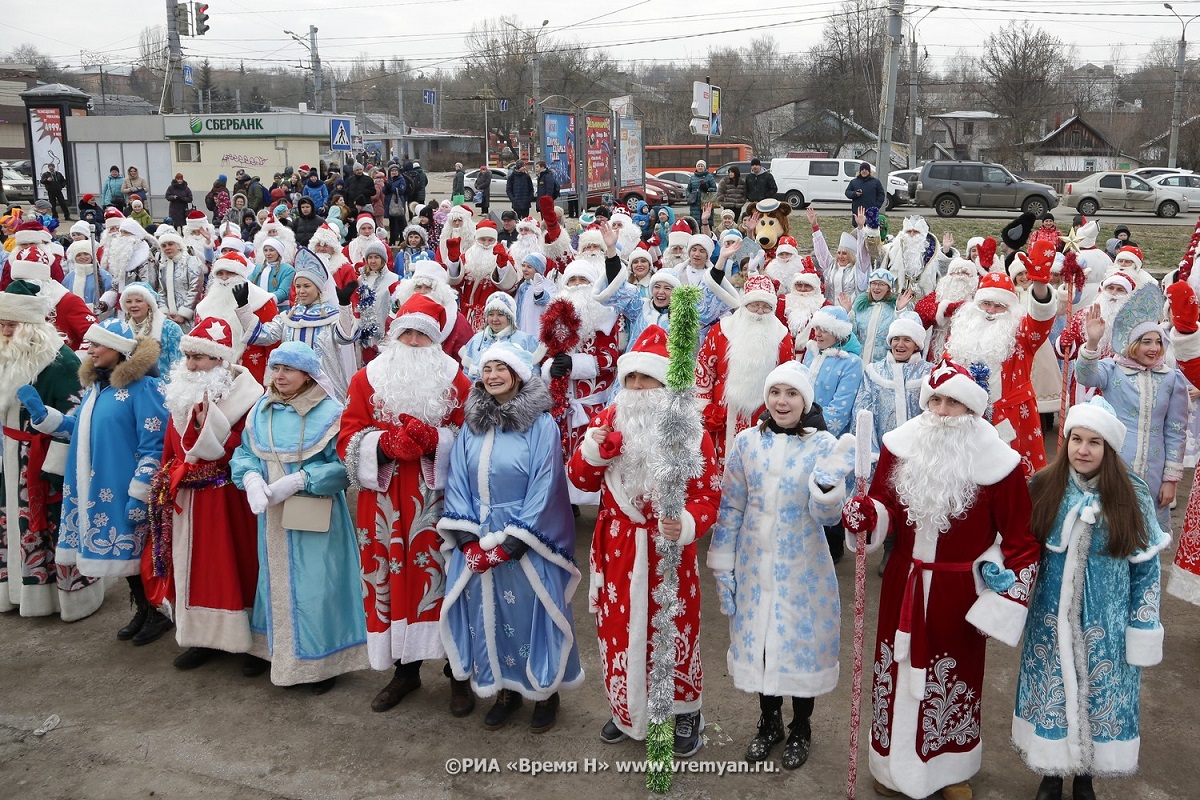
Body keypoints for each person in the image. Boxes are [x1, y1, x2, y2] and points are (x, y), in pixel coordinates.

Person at [842, 355, 1042, 800]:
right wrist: (866, 516)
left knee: (954, 677)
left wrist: (1000, 599)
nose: (943, 412)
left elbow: (1021, 541)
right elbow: (884, 509)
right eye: (936, 401)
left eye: (954, 404)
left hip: (958, 595)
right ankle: (891, 765)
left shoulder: (1000, 463)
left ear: (973, 411)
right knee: (892, 669)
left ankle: (951, 770)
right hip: (903, 582)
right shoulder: (900, 446)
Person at [566, 325, 721, 756]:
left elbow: (709, 493)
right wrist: (593, 452)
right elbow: (578, 478)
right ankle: (627, 709)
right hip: (617, 549)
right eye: (630, 378)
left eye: (646, 378)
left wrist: (688, 522)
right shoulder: (606, 420)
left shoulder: (692, 431)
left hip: (668, 550)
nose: (636, 387)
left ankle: (685, 710)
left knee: (673, 628)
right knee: (619, 628)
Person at [1012, 395, 1167, 800]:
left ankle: (1086, 777)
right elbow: (1019, 549)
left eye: (1094, 442)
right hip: (1050, 620)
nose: (1082, 449)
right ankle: (1050, 772)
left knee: (1100, 696)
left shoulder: (1131, 493)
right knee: (1053, 692)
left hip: (1108, 625)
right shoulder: (1045, 485)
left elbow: (1146, 568)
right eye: (1075, 439)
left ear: (1109, 449)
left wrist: (1143, 623)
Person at [709, 362, 854, 768]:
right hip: (754, 563)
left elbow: (829, 519)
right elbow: (732, 505)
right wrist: (724, 563)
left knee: (799, 648)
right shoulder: (746, 443)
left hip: (802, 567)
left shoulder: (823, 445)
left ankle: (801, 727)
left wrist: (827, 490)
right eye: (775, 393)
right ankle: (768, 722)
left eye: (791, 394)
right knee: (762, 644)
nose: (781, 401)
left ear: (804, 400)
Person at [337, 294, 474, 715]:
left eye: (422, 335)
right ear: (394, 336)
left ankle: (458, 672)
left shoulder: (456, 379)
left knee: (445, 581)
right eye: (407, 333)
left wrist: (439, 442)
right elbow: (347, 436)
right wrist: (381, 445)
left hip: (440, 499)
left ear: (435, 341)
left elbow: (472, 436)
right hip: (385, 500)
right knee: (393, 580)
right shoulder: (366, 378)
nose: (414, 342)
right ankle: (405, 670)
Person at [437, 343, 584, 732]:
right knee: (488, 615)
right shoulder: (471, 425)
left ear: (518, 374)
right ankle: (504, 690)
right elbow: (457, 483)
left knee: (531, 613)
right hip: (479, 533)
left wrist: (514, 542)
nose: (493, 376)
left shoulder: (541, 426)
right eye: (487, 369)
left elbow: (547, 484)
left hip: (526, 539)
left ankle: (543, 692)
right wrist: (469, 541)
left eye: (502, 368)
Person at [22, 316, 172, 644]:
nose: (90, 349)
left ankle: (158, 612)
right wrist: (46, 417)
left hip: (126, 486)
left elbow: (155, 442)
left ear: (118, 350)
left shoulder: (144, 387)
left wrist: (141, 491)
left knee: (142, 553)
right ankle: (143, 609)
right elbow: (80, 429)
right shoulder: (97, 388)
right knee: (125, 558)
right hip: (99, 484)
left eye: (98, 344)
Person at [231, 342, 369, 692]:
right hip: (271, 516)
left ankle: (322, 660)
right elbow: (245, 452)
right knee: (273, 580)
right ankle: (275, 650)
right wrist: (249, 478)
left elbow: (345, 468)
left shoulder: (332, 413)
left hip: (315, 512)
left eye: (288, 370)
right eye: (276, 368)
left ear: (308, 375)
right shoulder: (261, 409)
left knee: (317, 584)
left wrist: (301, 480)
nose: (279, 376)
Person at [149, 317, 264, 672]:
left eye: (200, 357)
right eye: (189, 357)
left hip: (231, 497)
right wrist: (166, 475)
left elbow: (249, 447)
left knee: (241, 565)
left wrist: (210, 431)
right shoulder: (181, 394)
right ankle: (203, 636)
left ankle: (252, 642)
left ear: (220, 360)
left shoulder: (248, 398)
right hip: (188, 498)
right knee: (196, 567)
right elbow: (170, 444)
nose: (191, 365)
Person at [0, 284, 104, 620]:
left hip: (42, 459)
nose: (4, 331)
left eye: (11, 325)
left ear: (30, 327)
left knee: (53, 524)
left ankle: (68, 598)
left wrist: (55, 464)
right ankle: (18, 591)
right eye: (1, 324)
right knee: (12, 523)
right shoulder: (4, 356)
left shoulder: (59, 361)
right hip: (10, 454)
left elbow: (77, 412)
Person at [1074, 287, 1188, 531]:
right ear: (1133, 343)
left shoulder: (1171, 379)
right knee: (1110, 531)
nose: (1154, 348)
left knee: (1146, 535)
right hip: (1113, 466)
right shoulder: (1112, 369)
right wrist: (1092, 342)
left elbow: (1176, 431)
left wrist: (1170, 480)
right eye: (1146, 341)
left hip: (1154, 472)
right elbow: (1084, 375)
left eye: (1158, 342)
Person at [947, 249, 1057, 478]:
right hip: (964, 420)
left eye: (999, 306)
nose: (991, 311)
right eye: (985, 303)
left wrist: (1039, 285)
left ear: (1011, 308)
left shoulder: (1021, 334)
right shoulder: (961, 334)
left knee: (1011, 483)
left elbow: (1040, 321)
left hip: (1012, 420)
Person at [696, 274, 794, 466]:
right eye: (754, 304)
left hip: (763, 415)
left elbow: (789, 380)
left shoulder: (783, 338)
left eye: (766, 306)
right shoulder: (721, 331)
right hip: (722, 414)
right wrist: (704, 408)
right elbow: (704, 370)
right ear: (744, 306)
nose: (759, 311)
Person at [241, 247, 359, 402]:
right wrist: (243, 307)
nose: (301, 291)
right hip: (290, 388)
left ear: (318, 288)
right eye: (298, 286)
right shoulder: (289, 317)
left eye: (307, 286)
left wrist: (344, 306)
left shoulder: (331, 316)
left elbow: (346, 337)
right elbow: (263, 335)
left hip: (323, 390)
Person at [194, 251, 280, 386]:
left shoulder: (262, 300)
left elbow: (273, 342)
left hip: (252, 369)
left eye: (230, 273)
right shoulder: (205, 304)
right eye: (220, 274)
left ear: (240, 275)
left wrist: (271, 376)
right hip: (215, 371)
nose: (224, 278)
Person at [446, 219, 518, 332]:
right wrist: (454, 260)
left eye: (490, 240)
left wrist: (502, 265)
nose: (486, 243)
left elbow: (509, 286)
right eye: (482, 239)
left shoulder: (503, 255)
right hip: (468, 312)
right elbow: (455, 282)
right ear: (476, 239)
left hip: (493, 313)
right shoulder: (468, 256)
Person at [458, 291, 537, 380]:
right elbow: (466, 374)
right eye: (491, 314)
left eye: (500, 314)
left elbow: (534, 376)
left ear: (510, 317)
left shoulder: (525, 340)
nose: (495, 319)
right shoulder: (476, 340)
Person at [120, 283, 184, 379]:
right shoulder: (122, 328)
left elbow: (179, 362)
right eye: (129, 301)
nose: (133, 305)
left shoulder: (169, 328)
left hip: (163, 384)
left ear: (149, 304)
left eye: (138, 301)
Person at [848, 268, 911, 365]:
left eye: (881, 284)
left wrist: (899, 311)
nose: (876, 287)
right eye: (874, 283)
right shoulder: (861, 308)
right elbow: (852, 334)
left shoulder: (893, 309)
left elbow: (901, 333)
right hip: (859, 362)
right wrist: (849, 313)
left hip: (882, 365)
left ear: (888, 288)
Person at [154, 229, 203, 325]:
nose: (167, 248)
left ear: (178, 245)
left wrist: (184, 314)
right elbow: (161, 291)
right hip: (169, 318)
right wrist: (164, 312)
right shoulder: (163, 266)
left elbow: (196, 289)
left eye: (170, 244)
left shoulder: (191, 261)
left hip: (191, 316)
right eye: (164, 246)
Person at [248, 236, 295, 314]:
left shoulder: (288, 270)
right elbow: (249, 284)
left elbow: (283, 292)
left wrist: (265, 301)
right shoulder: (258, 267)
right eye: (265, 250)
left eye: (271, 250)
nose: (268, 253)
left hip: (280, 311)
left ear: (279, 252)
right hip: (258, 309)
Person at [383, 165, 408, 246]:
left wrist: (392, 188)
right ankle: (392, 239)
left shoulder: (401, 179)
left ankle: (402, 239)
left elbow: (401, 190)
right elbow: (384, 191)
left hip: (398, 204)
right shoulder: (389, 180)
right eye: (392, 171)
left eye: (395, 171)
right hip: (390, 204)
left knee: (401, 223)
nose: (394, 172)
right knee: (392, 223)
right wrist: (387, 186)